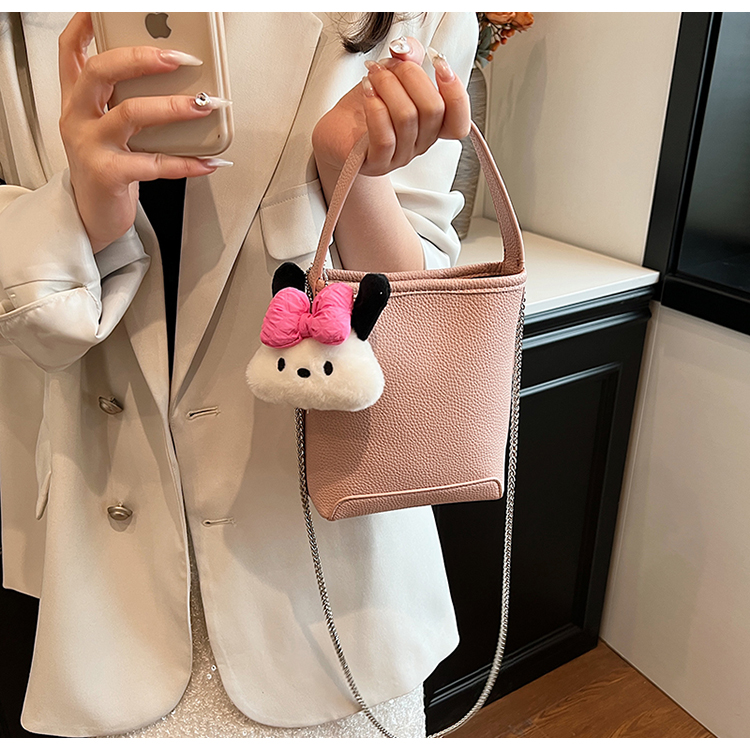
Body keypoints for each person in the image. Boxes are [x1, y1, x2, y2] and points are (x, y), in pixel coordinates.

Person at [0, 11, 476, 738]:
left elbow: (415, 322)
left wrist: (348, 174)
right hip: (89, 582)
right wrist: (74, 219)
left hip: (325, 586)